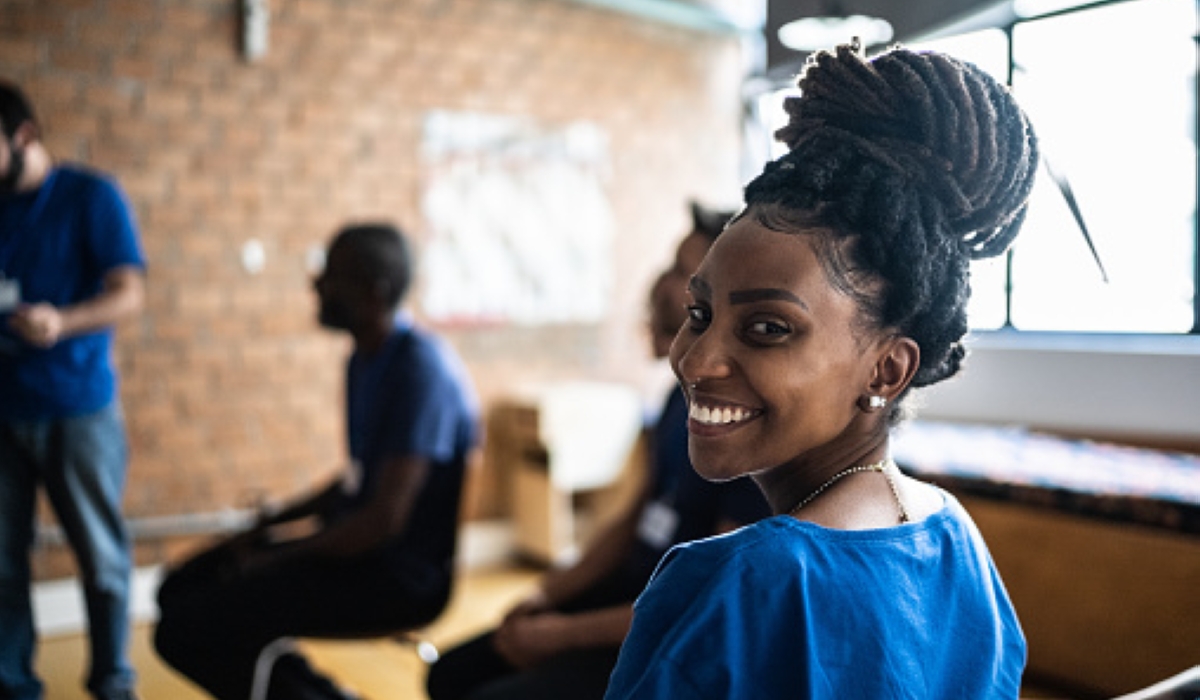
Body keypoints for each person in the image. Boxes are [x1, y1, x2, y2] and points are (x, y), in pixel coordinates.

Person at [604, 40, 1039, 700]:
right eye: (699, 312)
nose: (695, 359)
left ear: (887, 370)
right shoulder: (954, 540)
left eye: (767, 329)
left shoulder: (744, 582)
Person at [425, 203, 770, 700]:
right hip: (630, 596)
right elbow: (634, 519)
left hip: (675, 638)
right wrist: (547, 595)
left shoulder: (744, 425)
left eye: (682, 273)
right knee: (453, 673)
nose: (661, 287)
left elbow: (707, 602)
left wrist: (560, 636)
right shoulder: (680, 400)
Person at [154, 223, 480, 700]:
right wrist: (267, 527)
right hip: (355, 552)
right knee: (180, 587)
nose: (317, 283)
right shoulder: (365, 360)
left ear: (374, 293)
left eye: (333, 274)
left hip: (397, 576)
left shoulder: (418, 371)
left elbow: (383, 521)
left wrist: (275, 555)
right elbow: (354, 483)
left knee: (187, 628)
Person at [0, 82, 147, 700]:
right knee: (3, 564)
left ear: (23, 137)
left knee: (102, 561)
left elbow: (129, 292)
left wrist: (62, 322)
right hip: (4, 411)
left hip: (78, 409)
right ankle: (13, 685)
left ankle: (113, 683)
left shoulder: (91, 196)